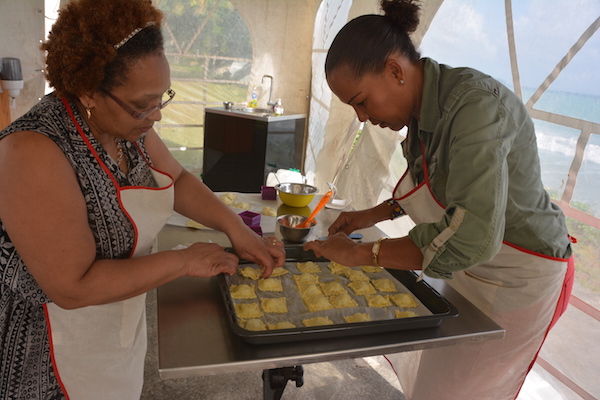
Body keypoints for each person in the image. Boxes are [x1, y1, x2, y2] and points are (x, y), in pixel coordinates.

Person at [0, 0, 285, 398]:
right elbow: (73, 286)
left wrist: (234, 227)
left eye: (161, 98)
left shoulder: (128, 127)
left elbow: (178, 178)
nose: (157, 116)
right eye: (142, 104)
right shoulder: (34, 150)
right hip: (51, 357)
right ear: (88, 91)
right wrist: (185, 259)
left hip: (115, 338)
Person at [304, 1, 575, 399]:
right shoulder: (420, 109)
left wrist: (363, 255)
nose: (361, 117)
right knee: (437, 380)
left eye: (361, 101)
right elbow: (433, 181)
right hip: (471, 266)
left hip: (518, 271)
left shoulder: (475, 108)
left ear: (395, 70)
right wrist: (371, 215)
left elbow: (472, 237)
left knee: (460, 390)